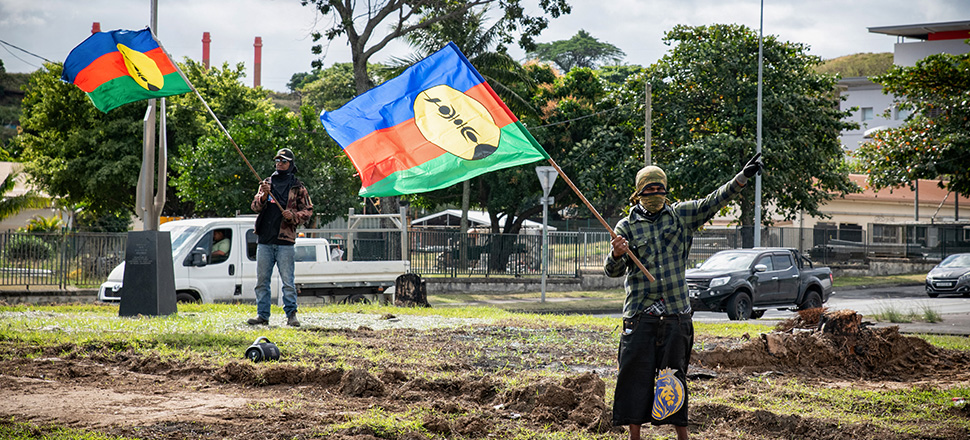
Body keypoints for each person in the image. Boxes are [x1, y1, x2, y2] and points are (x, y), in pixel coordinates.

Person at [605, 153, 763, 440]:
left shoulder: (680, 216)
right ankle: (634, 436)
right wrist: (616, 254)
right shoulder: (625, 227)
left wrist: (741, 178)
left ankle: (682, 436)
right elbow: (613, 271)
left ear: (666, 190)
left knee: (674, 377)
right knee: (634, 377)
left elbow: (713, 201)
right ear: (638, 193)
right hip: (640, 316)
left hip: (675, 315)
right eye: (649, 189)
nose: (655, 193)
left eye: (659, 188)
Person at [247, 148, 314, 327]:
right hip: (265, 240)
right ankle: (262, 315)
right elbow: (255, 206)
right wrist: (264, 196)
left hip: (285, 241)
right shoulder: (266, 184)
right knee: (262, 281)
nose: (279, 163)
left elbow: (308, 211)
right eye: (277, 160)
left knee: (287, 282)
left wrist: (293, 216)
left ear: (290, 164)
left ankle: (291, 315)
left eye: (283, 161)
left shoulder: (298, 187)